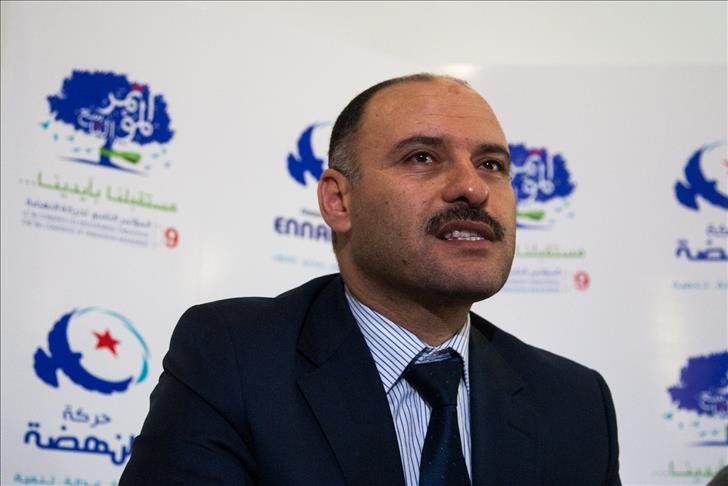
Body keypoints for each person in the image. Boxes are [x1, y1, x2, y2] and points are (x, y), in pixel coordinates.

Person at [120, 74, 621, 485]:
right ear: (339, 201)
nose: (472, 187)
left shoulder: (575, 404)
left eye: (491, 164)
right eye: (422, 157)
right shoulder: (234, 357)